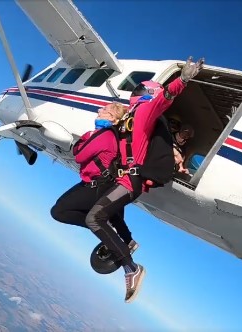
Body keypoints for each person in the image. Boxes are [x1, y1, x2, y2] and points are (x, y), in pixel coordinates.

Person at [84, 56, 204, 303]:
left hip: (130, 180)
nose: (134, 94)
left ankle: (132, 269)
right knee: (101, 209)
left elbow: (163, 99)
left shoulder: (145, 111)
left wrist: (182, 80)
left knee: (94, 218)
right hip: (125, 178)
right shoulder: (131, 117)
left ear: (144, 93)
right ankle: (126, 243)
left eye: (138, 90)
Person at [50, 102, 139, 253]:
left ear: (111, 117)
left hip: (95, 185)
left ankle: (109, 231)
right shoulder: (110, 135)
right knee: (112, 213)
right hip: (104, 183)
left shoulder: (104, 135)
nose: (99, 110)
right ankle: (127, 240)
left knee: (59, 211)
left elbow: (79, 154)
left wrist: (86, 139)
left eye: (103, 109)